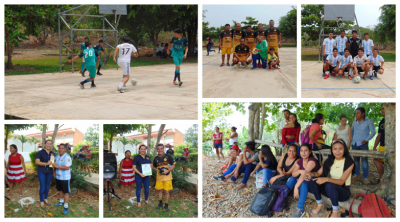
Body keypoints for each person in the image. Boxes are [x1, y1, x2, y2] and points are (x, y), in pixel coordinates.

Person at [306, 139, 355, 217]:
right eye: (335, 149)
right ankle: (320, 204)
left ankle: (336, 210)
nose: (337, 151)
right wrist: (310, 174)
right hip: (330, 191)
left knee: (329, 185)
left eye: (340, 148)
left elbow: (342, 181)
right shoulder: (330, 160)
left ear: (344, 149)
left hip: (343, 192)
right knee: (312, 181)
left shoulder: (349, 162)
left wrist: (326, 179)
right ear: (332, 150)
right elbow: (318, 173)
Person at [286, 143, 320, 217]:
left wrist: (296, 187)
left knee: (303, 183)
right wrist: (299, 171)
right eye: (301, 151)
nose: (303, 153)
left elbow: (304, 175)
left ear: (310, 152)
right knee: (292, 179)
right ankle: (282, 198)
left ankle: (300, 209)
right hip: (304, 179)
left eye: (306, 150)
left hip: (314, 183)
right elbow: (293, 174)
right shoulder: (300, 161)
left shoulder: (312, 161)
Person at [352, 107, 376, 184]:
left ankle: (365, 177)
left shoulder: (369, 121)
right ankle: (357, 174)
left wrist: (366, 139)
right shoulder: (354, 122)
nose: (356, 115)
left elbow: (373, 132)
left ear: (363, 113)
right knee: (356, 160)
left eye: (358, 113)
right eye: (356, 113)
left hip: (363, 144)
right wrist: (352, 140)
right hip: (355, 144)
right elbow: (352, 131)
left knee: (364, 160)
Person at [152, 144, 175, 212]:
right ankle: (160, 203)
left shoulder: (168, 156)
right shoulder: (155, 158)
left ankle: (166, 204)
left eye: (161, 148)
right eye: (158, 149)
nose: (160, 150)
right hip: (159, 177)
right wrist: (151, 167)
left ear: (163, 148)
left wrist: (168, 170)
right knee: (160, 191)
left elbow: (173, 165)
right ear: (157, 150)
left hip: (167, 177)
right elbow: (154, 167)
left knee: (167, 191)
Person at [53, 143, 73, 215]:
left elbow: (67, 167)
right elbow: (55, 165)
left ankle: (66, 205)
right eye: (59, 148)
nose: (60, 149)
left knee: (65, 192)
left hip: (65, 178)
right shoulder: (57, 156)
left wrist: (57, 166)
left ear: (65, 149)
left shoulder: (67, 157)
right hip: (58, 177)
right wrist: (54, 171)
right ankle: (61, 202)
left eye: (62, 148)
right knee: (60, 190)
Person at [35, 140, 55, 209]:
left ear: (52, 145)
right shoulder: (40, 152)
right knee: (42, 187)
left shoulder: (52, 153)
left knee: (47, 186)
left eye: (50, 144)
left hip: (49, 172)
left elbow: (52, 163)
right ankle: (41, 201)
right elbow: (37, 162)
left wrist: (54, 165)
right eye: (47, 144)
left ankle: (45, 198)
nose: (49, 145)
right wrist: (46, 163)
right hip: (41, 171)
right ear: (45, 144)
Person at [373, 105, 385, 184]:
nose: (382, 110)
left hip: (392, 146)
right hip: (382, 146)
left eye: (383, 108)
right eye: (382, 108)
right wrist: (374, 147)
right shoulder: (382, 121)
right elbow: (379, 135)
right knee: (376, 159)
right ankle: (382, 179)